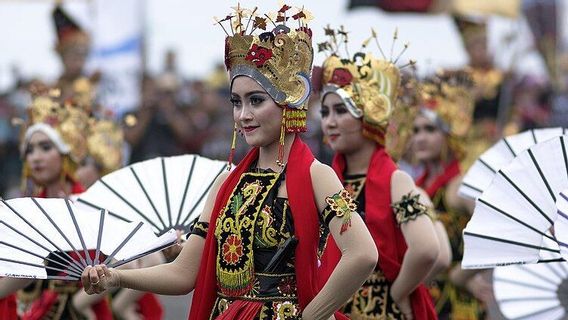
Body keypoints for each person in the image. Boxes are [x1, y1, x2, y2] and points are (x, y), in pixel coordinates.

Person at [81, 5, 378, 320]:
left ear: (288, 101)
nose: (243, 115)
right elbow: (184, 273)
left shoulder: (317, 176)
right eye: (237, 102)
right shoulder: (226, 183)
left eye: (256, 100)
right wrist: (116, 276)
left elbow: (362, 254)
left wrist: (312, 316)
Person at [316, 27, 439, 320]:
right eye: (325, 112)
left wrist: (398, 293)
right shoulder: (326, 180)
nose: (330, 122)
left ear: (369, 115)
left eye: (341, 111)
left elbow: (426, 249)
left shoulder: (396, 180)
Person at [0, 85, 113, 319]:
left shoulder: (89, 205)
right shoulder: (27, 209)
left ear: (64, 154)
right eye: (30, 150)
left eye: (45, 147)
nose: (35, 157)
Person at [410, 71, 490, 320]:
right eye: (415, 130)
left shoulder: (460, 185)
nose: (420, 138)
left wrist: (463, 273)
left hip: (459, 307)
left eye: (430, 129)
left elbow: (496, 235)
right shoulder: (415, 186)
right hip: (425, 299)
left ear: (448, 135)